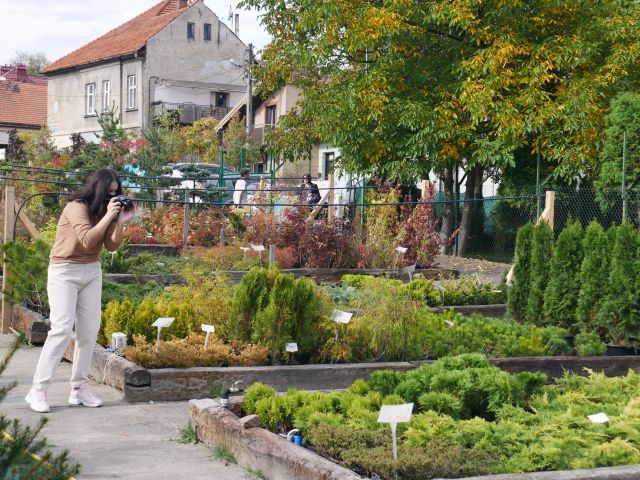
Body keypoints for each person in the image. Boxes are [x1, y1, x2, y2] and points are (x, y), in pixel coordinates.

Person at [25, 169, 136, 413]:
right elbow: (86, 239)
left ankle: (78, 389)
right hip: (64, 271)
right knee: (62, 329)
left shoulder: (103, 213)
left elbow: (110, 245)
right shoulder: (77, 207)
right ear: (97, 190)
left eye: (116, 193)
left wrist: (119, 222)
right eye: (109, 193)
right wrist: (109, 216)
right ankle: (38, 389)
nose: (113, 198)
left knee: (88, 331)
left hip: (91, 271)